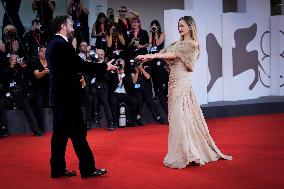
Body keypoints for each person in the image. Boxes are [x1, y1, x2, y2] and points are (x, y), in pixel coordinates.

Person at [136, 16, 232, 169]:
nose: (179, 28)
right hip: (173, 83)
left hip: (182, 83)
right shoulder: (178, 43)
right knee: (177, 118)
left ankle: (190, 153)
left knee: (181, 118)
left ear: (190, 27)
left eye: (182, 26)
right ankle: (185, 151)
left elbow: (173, 55)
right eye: (178, 26)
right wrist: (158, 59)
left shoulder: (192, 44)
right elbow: (167, 53)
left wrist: (151, 55)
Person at [46, 15, 115, 178]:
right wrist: (105, 66)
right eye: (71, 24)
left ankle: (57, 170)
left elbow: (67, 69)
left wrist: (77, 76)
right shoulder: (62, 45)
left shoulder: (52, 44)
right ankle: (88, 168)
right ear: (63, 26)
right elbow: (80, 64)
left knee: (59, 136)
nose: (73, 26)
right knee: (78, 133)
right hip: (67, 97)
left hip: (59, 96)